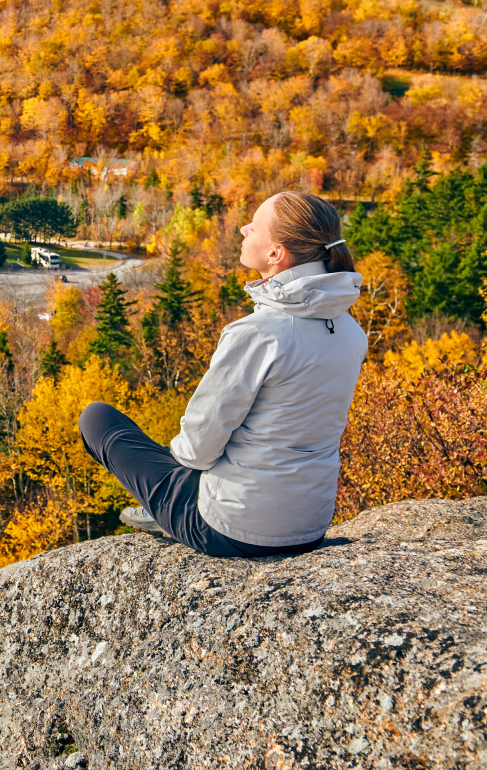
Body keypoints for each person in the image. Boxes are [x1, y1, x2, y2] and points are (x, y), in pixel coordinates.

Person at [78, 191, 368, 557]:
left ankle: (164, 510)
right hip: (309, 525)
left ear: (275, 254)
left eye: (255, 225)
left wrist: (176, 477)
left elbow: (196, 451)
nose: (245, 228)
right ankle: (174, 503)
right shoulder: (351, 332)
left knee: (96, 418)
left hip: (233, 529)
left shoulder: (259, 333)